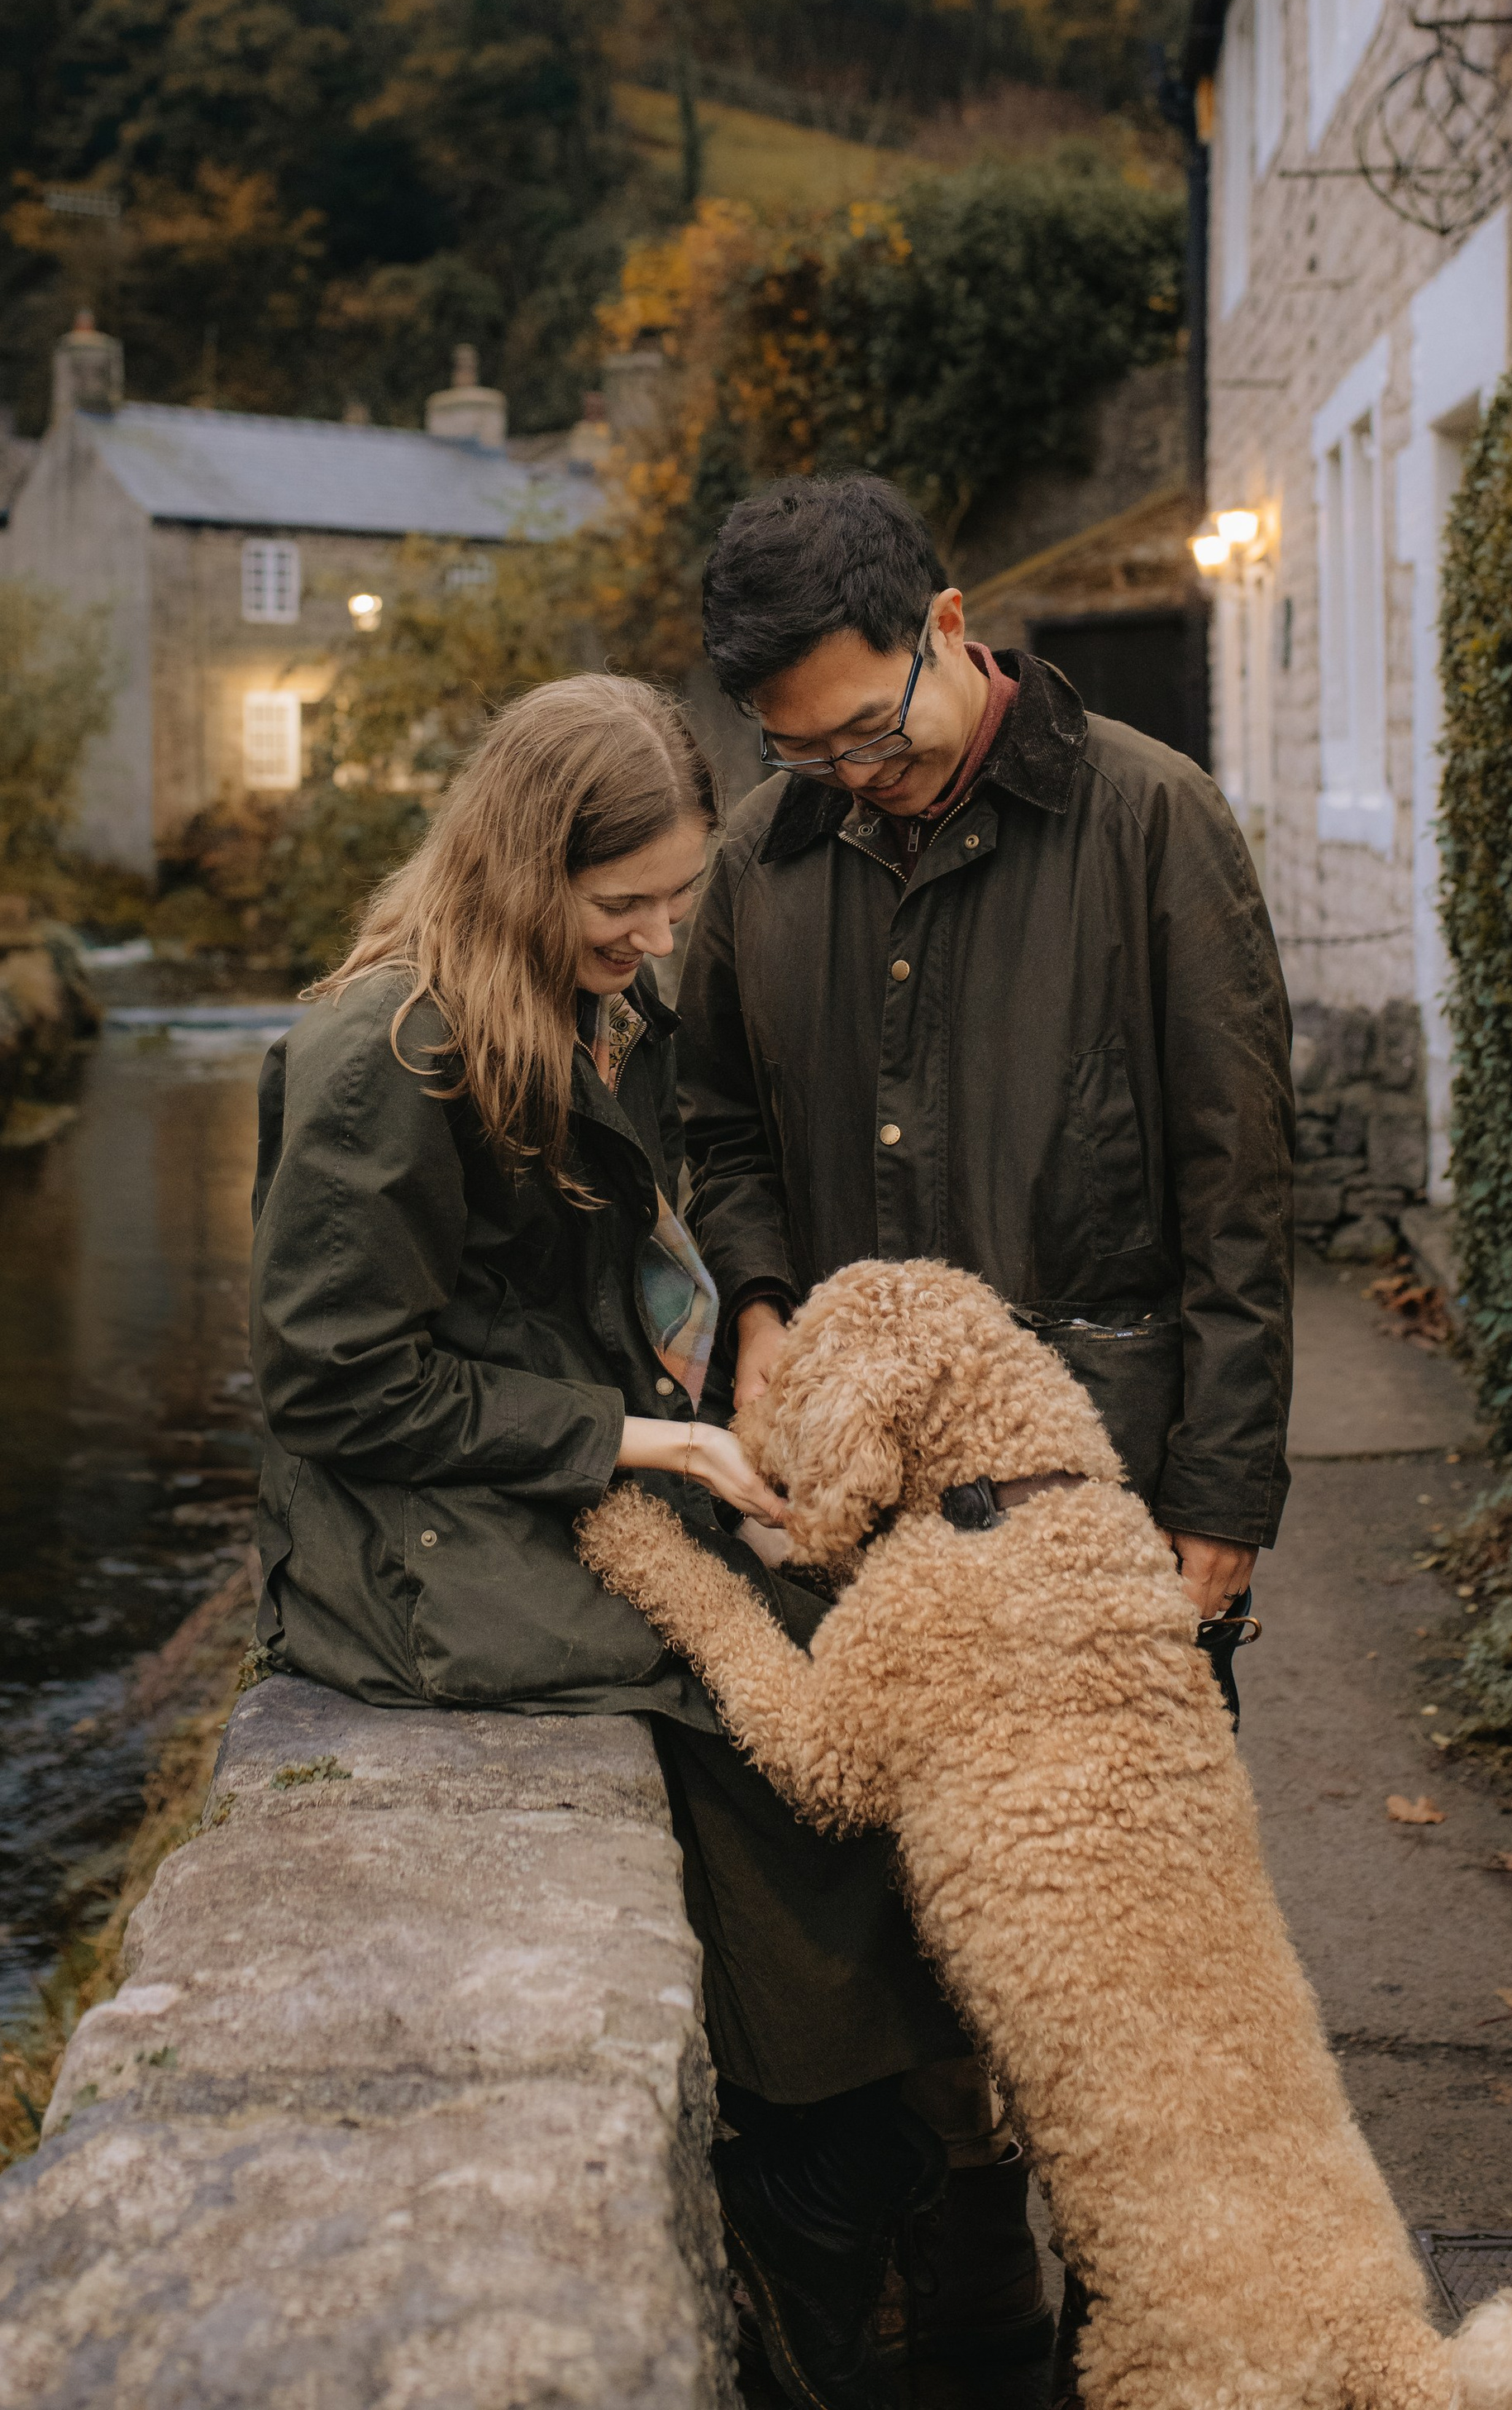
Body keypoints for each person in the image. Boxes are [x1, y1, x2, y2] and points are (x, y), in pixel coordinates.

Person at [248, 673, 965, 2410]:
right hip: (406, 1545)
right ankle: (815, 2221)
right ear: (515, 866)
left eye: (671, 900)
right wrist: (646, 1436)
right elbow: (334, 1386)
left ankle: (869, 2192)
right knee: (769, 1747)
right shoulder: (380, 1055)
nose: (653, 942)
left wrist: (707, 1402)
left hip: (542, 1463)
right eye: (619, 905)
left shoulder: (561, 1006)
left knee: (862, 1669)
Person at [678, 470, 1295, 2403]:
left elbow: (1238, 1191)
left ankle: (1165, 2327)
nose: (847, 775)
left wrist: (1220, 1498)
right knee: (907, 1933)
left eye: (869, 726)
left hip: (1098, 1504)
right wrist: (762, 1295)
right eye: (801, 749)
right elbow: (713, 1132)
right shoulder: (762, 861)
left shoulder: (1150, 820)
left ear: (947, 626)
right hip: (858, 1514)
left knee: (1123, 1963)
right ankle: (973, 2309)